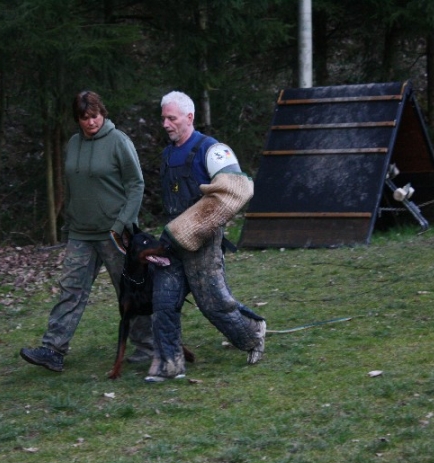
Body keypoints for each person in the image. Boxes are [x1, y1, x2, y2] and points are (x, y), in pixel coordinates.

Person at [20, 91, 153, 373]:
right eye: (84, 118)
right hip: (81, 234)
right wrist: (69, 221)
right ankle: (53, 349)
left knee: (131, 290)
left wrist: (121, 225)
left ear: (102, 113)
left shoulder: (119, 142)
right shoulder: (73, 144)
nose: (90, 122)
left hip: (115, 234)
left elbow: (136, 184)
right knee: (71, 290)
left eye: (94, 116)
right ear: (77, 120)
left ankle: (149, 347)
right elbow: (72, 185)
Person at [145, 91, 266, 383]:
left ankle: (252, 334)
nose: (165, 124)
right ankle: (169, 363)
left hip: (203, 241)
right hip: (172, 241)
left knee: (213, 304)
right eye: (163, 118)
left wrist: (193, 226)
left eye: (171, 118)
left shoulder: (212, 150)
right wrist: (175, 232)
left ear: (189, 118)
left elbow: (237, 189)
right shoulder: (167, 154)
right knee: (163, 301)